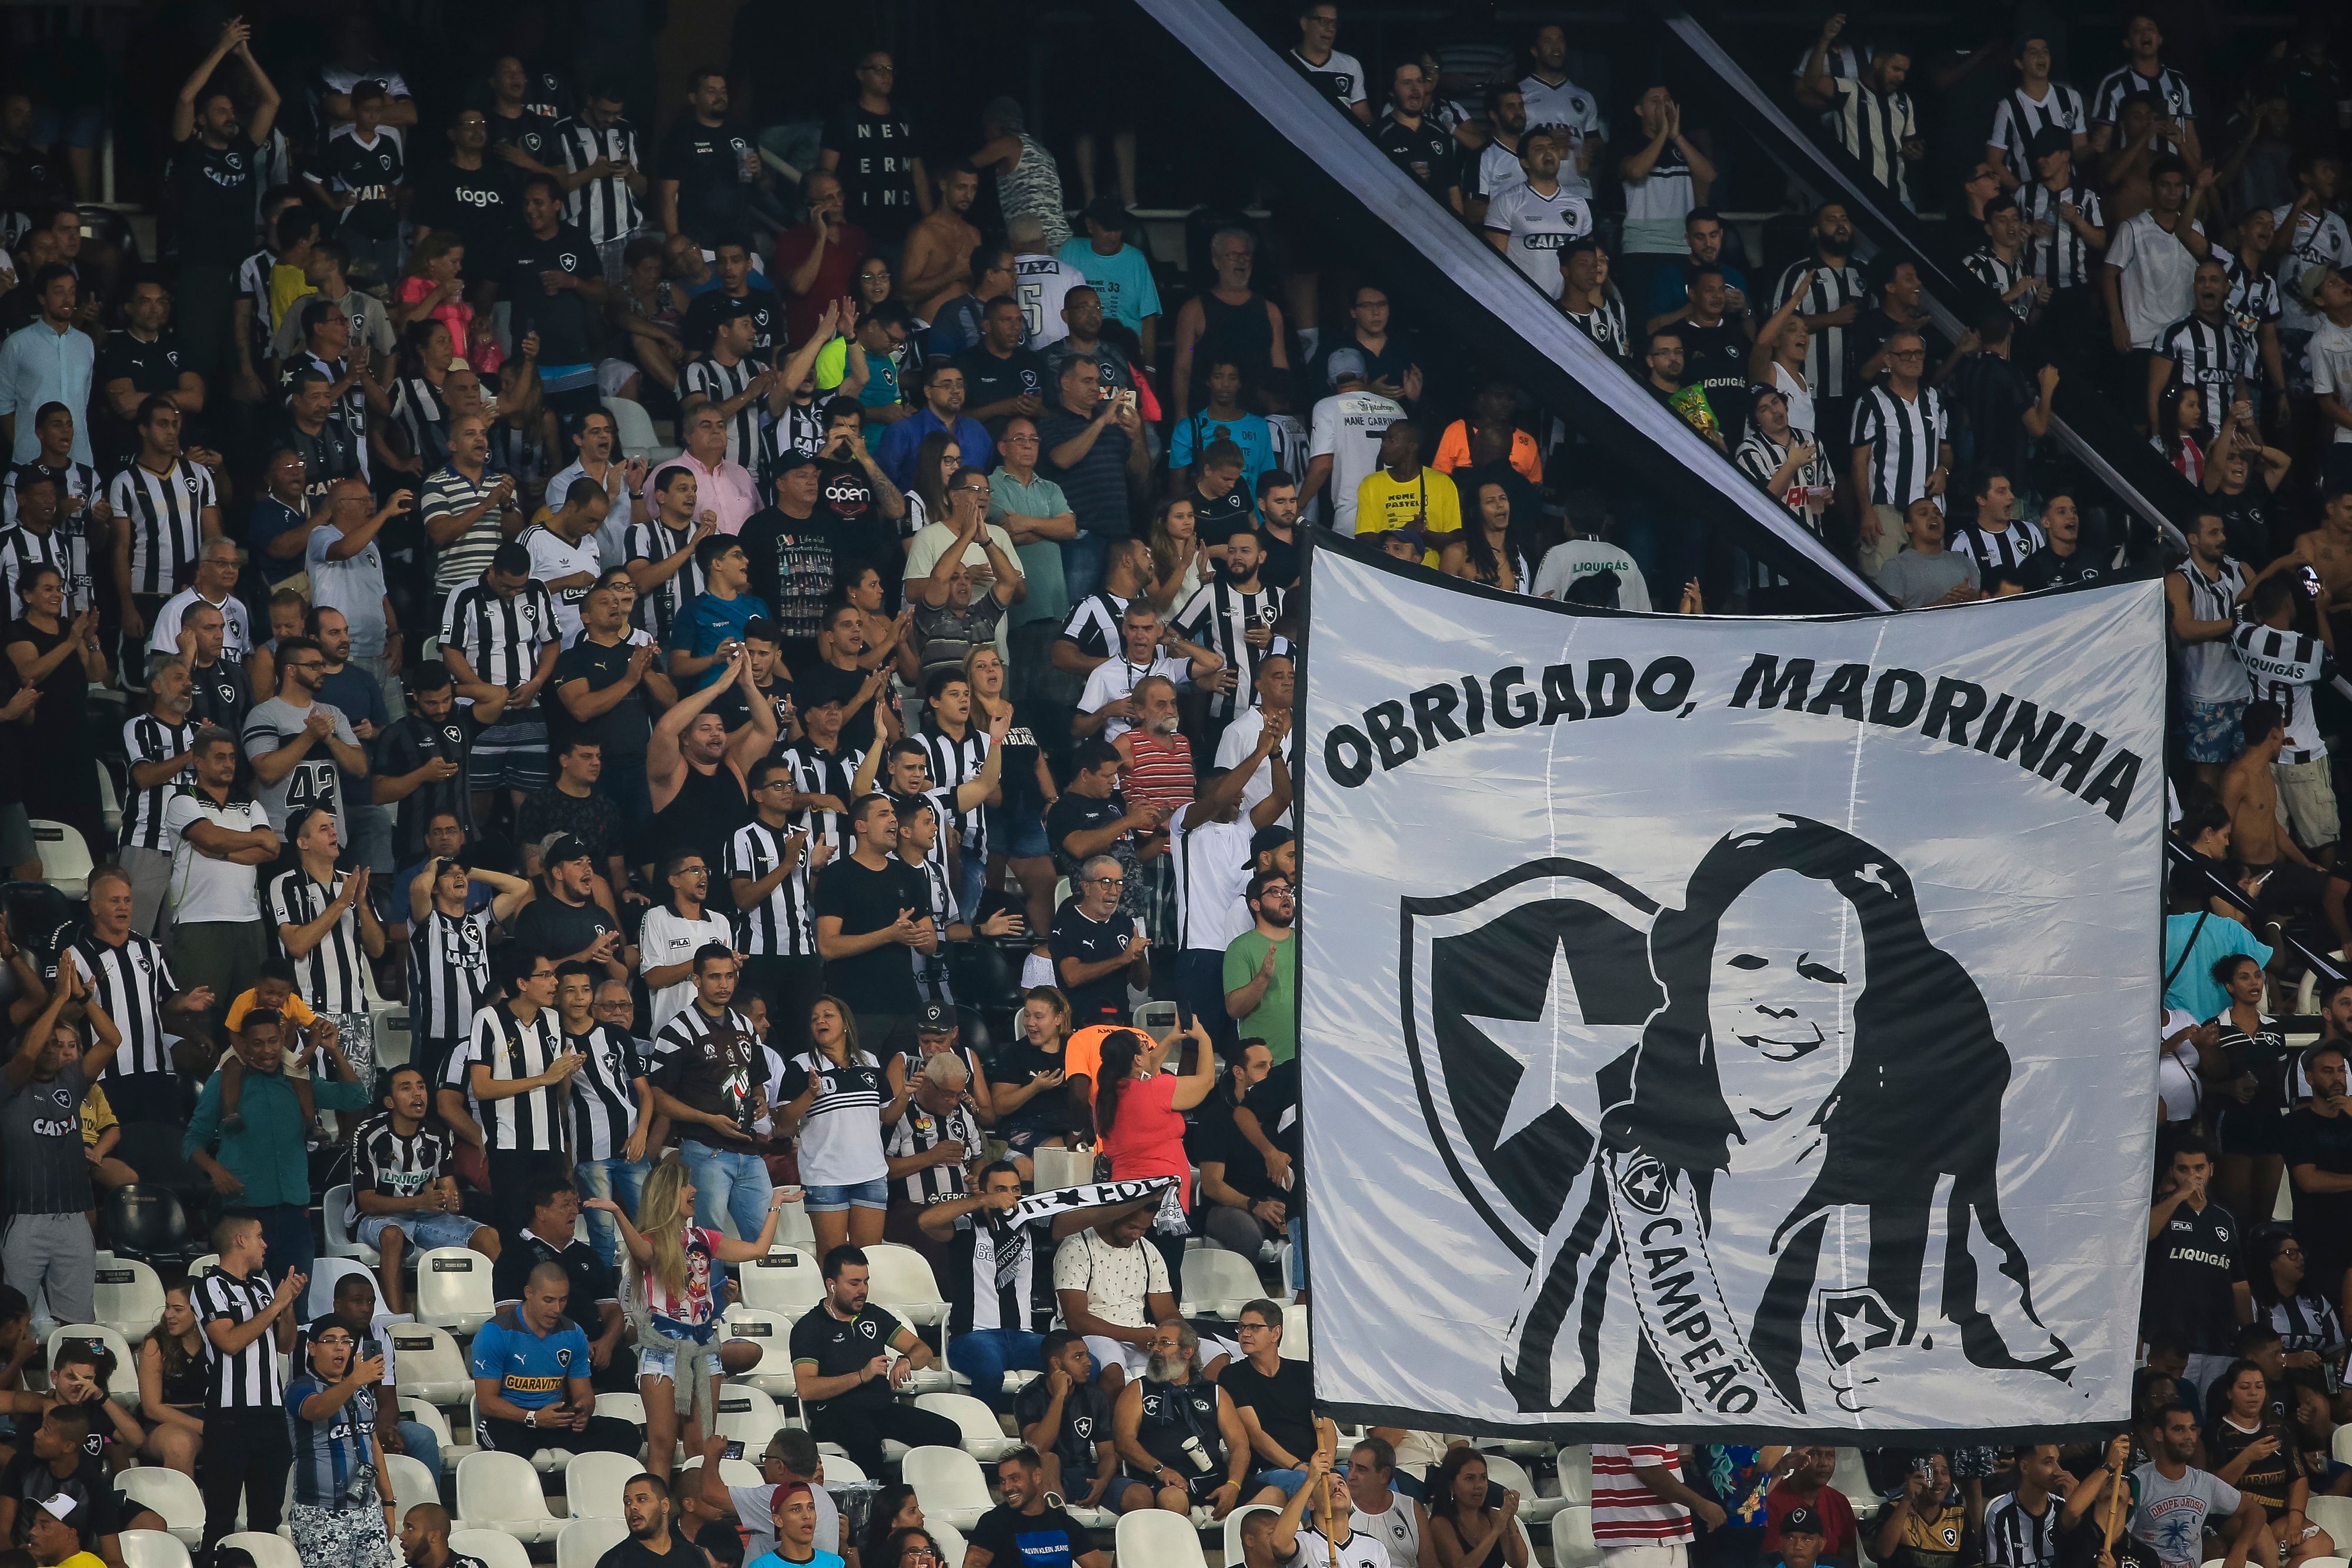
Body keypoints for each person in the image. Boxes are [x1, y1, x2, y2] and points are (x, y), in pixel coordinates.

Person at [590, 1154, 789, 1480]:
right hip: (660, 1352)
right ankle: (663, 1520)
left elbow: (758, 1251)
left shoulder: (704, 1238)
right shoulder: (652, 1242)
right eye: (687, 1185)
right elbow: (640, 1252)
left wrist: (776, 1203)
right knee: (663, 1444)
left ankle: (699, 1514)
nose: (695, 1189)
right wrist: (617, 1213)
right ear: (670, 1193)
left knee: (702, 1445)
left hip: (703, 1350)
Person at [186, 1007, 368, 1286]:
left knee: (296, 1306)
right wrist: (215, 1170)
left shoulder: (298, 1080)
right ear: (243, 1045)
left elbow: (356, 1099)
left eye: (273, 1041)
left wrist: (334, 1051)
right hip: (243, 1212)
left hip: (294, 1211)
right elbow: (192, 1140)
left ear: (283, 1040)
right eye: (257, 1043)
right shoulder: (223, 1082)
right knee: (244, 1306)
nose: (267, 1050)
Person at [0, 964, 119, 1328]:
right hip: (24, 1218)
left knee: (78, 1321)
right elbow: (25, 1057)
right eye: (47, 1041)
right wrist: (59, 1000)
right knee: (14, 1321)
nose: (54, 1048)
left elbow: (112, 1040)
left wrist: (83, 998)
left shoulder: (73, 1079)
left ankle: (72, 1382)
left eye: (59, 1042)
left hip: (74, 1219)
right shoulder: (9, 1084)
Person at [787, 1245, 960, 1474]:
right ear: (831, 1285)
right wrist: (861, 1375)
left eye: (866, 1281)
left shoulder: (873, 1315)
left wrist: (906, 1360)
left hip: (880, 1407)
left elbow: (923, 1350)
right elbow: (807, 1388)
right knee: (866, 1439)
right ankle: (875, 1503)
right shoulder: (809, 1328)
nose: (863, 1290)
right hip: (833, 1412)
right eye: (854, 1283)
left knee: (948, 1433)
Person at [192, 1213, 305, 1559]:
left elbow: (287, 1345)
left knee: (267, 1518)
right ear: (239, 1240)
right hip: (229, 1417)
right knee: (222, 1517)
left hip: (271, 1415)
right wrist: (276, 1305)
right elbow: (228, 1341)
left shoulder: (263, 1285)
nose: (265, 1244)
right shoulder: (208, 1285)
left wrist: (286, 1306)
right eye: (259, 1237)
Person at [648, 944, 779, 1241]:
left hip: (749, 1148)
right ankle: (709, 1291)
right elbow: (658, 1096)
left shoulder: (745, 1024)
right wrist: (707, 1119)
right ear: (696, 980)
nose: (724, 985)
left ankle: (749, 1290)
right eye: (715, 977)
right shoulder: (676, 1030)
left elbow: (756, 1077)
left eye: (730, 976)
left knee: (764, 1239)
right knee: (708, 1239)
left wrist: (759, 1099)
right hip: (705, 1149)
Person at [350, 1064, 496, 1314]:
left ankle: (501, 1310)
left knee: (487, 1235)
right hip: (374, 1219)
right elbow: (367, 1202)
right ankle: (398, 1321)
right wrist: (421, 1202)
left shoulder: (437, 1135)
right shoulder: (368, 1135)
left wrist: (451, 1201)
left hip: (424, 1215)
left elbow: (449, 1191)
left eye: (421, 1086)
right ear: (389, 1101)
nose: (418, 1094)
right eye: (406, 1088)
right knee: (393, 1235)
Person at [467, 1261, 642, 1460]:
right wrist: (533, 1418)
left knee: (626, 1434)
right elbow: (487, 1403)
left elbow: (584, 1393)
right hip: (512, 1421)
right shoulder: (495, 1333)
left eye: (563, 1300)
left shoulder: (573, 1333)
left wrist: (583, 1411)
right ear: (528, 1293)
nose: (556, 1309)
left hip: (555, 1420)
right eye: (548, 1300)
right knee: (508, 1444)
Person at [1112, 1319, 1262, 1519]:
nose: (1155, 1349)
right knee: (1173, 1501)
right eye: (1153, 1344)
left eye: (1164, 1343)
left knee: (1274, 1497)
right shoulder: (1137, 1390)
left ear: (1187, 1352)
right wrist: (1160, 1469)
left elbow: (1239, 1445)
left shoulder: (1214, 1392)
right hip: (1164, 1478)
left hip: (1213, 1477)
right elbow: (1124, 1442)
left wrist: (1233, 1485)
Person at [5, 564, 106, 852]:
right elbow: (29, 674)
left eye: (60, 589)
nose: (58, 595)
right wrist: (71, 642)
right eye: (48, 589)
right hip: (40, 738)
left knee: (85, 817)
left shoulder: (68, 629)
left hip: (77, 736)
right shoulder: (17, 631)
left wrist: (91, 641)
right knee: (48, 814)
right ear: (27, 595)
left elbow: (96, 674)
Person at [283, 1315, 395, 1568]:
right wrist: (355, 1379)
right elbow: (317, 1410)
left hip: (368, 1510)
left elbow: (373, 1442)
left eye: (346, 1341)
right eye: (330, 1341)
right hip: (320, 1514)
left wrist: (388, 1501)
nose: (339, 1347)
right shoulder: (299, 1388)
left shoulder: (362, 1391)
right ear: (312, 1348)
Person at [1053, 1192, 1179, 1393]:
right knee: (1112, 1369)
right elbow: (1076, 1320)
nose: (1137, 1235)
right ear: (1114, 1216)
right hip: (1090, 1337)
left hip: (1140, 1337)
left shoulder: (1149, 1251)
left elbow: (1167, 1313)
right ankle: (1115, 1425)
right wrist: (1136, 1335)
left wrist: (1175, 1338)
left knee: (1207, 1356)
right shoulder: (1076, 1247)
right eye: (1132, 1227)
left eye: (1144, 1230)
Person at [2132, 1403, 2263, 1568]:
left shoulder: (2203, 1482)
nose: (2189, 1436)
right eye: (2179, 1429)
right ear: (2159, 1434)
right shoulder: (2138, 1482)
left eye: (2192, 1429)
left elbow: (2255, 1511)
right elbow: (2115, 1536)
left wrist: (2240, 1550)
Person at [2283, 1044, 2352, 1321]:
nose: (2337, 1078)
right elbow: (2308, 1180)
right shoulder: (2297, 1124)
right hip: (2319, 1239)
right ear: (2309, 1078)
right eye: (2328, 1071)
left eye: (2341, 1070)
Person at [135, 1286, 206, 1476]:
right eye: (167, 1307)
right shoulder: (155, 1343)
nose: (169, 1315)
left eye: (178, 1309)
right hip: (165, 1422)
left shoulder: (216, 1339)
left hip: (212, 1417)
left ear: (198, 1311)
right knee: (180, 1444)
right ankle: (181, 1507)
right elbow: (152, 1408)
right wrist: (205, 1428)